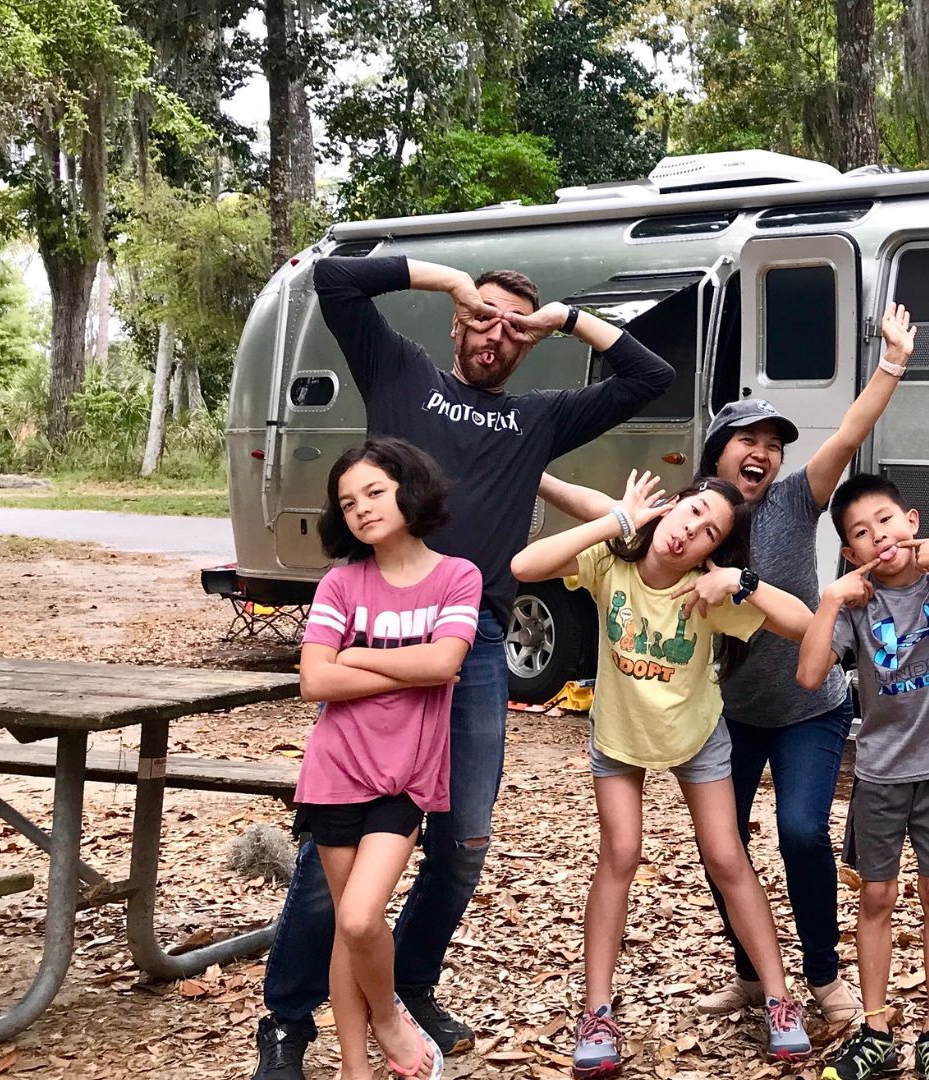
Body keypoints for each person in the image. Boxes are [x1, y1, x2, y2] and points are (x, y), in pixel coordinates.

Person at [255, 254, 674, 1080]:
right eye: (482, 317)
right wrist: (448, 279)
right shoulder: (403, 375)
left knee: (463, 841)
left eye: (514, 329)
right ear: (457, 323)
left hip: (473, 640)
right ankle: (287, 1020)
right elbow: (334, 280)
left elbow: (647, 375)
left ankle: (405, 987)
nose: (496, 335)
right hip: (378, 623)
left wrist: (565, 320)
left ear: (530, 344)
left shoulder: (537, 419)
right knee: (337, 841)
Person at [534, 303, 918, 1027]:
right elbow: (602, 510)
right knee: (726, 847)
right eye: (749, 439)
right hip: (728, 714)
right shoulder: (690, 519)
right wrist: (530, 469)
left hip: (807, 707)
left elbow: (848, 433)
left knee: (801, 832)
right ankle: (751, 977)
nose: (763, 452)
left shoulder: (796, 500)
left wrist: (892, 363)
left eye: (773, 445)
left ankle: (823, 976)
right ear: (718, 453)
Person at [511, 471, 820, 1077]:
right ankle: (597, 1012)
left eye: (710, 534)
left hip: (695, 734)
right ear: (671, 506)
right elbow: (525, 566)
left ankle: (779, 1001)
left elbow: (805, 623)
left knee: (726, 857)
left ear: (714, 552)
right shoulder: (611, 561)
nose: (690, 533)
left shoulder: (709, 591)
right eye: (693, 512)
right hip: (620, 735)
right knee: (620, 854)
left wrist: (743, 581)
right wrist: (618, 519)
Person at [797, 474, 929, 1080]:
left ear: (911, 521)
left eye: (886, 521)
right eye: (861, 533)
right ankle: (876, 1028)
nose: (879, 537)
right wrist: (830, 600)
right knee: (877, 896)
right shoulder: (856, 604)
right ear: (850, 552)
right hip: (882, 772)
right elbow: (809, 675)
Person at [295, 438, 484, 1080]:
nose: (362, 509)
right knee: (348, 930)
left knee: (358, 917)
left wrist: (356, 655)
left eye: (375, 492)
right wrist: (410, 668)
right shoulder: (341, 582)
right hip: (334, 772)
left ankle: (386, 1017)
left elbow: (446, 662)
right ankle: (354, 1069)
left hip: (405, 776)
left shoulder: (457, 576)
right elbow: (315, 681)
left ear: (410, 489)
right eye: (348, 503)